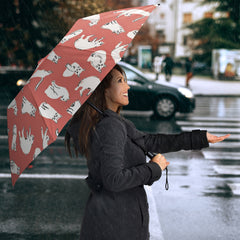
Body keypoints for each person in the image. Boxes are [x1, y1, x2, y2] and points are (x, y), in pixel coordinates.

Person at [65, 64, 230, 240]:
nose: (127, 86)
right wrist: (154, 168)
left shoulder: (114, 122)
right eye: (120, 81)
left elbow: (150, 141)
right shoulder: (110, 126)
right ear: (103, 90)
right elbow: (114, 180)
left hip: (115, 219)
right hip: (116, 225)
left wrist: (199, 138)